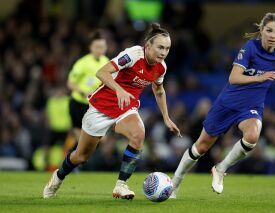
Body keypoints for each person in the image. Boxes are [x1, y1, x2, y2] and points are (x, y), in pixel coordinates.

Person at [43, 23, 181, 200]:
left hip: (126, 108)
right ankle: (57, 177)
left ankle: (121, 185)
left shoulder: (161, 67)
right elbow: (101, 73)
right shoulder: (132, 55)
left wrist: (166, 117)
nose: (163, 52)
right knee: (81, 156)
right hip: (102, 107)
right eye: (160, 47)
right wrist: (119, 90)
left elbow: (159, 90)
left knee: (138, 134)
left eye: (167, 48)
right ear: (148, 46)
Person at [170, 12, 275, 198]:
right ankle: (174, 184)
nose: (272, 35)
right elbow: (233, 78)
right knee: (201, 147)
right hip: (227, 104)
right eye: (269, 30)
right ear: (261, 30)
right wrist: (260, 77)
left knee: (252, 136)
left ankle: (220, 169)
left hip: (251, 107)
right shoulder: (250, 47)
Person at [67, 30, 109, 143]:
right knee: (81, 141)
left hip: (94, 106)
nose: (100, 50)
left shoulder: (106, 62)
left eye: (102, 47)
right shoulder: (82, 63)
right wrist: (82, 92)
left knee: (101, 140)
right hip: (78, 104)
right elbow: (70, 83)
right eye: (97, 47)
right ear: (90, 47)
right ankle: (75, 156)